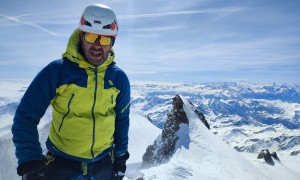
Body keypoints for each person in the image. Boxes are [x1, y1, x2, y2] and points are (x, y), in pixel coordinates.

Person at [11, 4, 130, 180]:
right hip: (61, 163)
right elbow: (25, 116)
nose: (97, 45)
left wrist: (120, 157)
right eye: (91, 36)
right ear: (81, 36)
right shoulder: (57, 72)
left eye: (104, 40)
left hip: (103, 164)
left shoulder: (119, 78)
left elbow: (121, 119)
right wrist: (30, 159)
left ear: (112, 42)